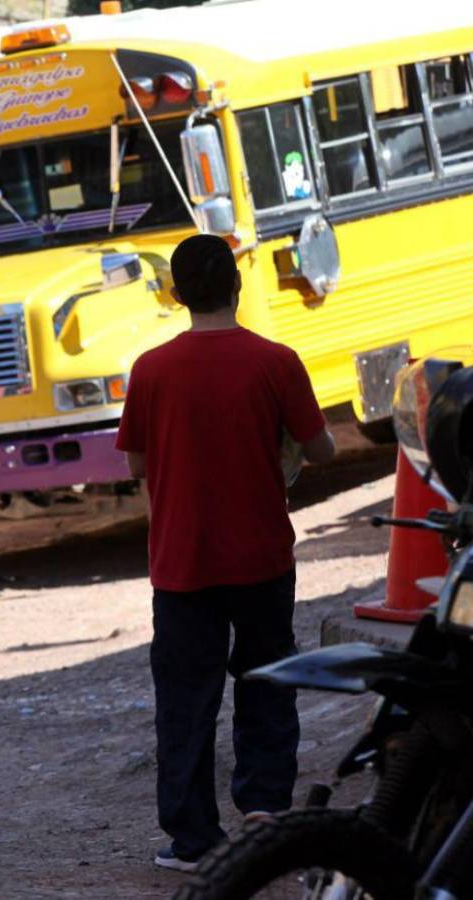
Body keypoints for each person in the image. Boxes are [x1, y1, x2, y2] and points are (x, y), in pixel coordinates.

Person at [116, 234, 336, 873]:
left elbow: (135, 460)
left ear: (177, 295)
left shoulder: (151, 369)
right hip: (262, 554)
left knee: (185, 698)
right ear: (236, 287)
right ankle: (265, 808)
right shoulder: (276, 360)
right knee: (268, 678)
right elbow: (320, 449)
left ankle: (193, 838)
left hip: (182, 560)